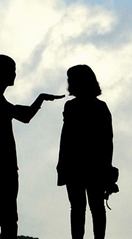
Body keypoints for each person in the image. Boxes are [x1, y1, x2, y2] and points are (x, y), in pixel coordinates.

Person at [0, 55, 62, 239]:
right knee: (6, 213)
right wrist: (41, 99)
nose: (15, 73)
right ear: (1, 73)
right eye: (12, 70)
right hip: (3, 166)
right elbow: (25, 116)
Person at [57, 65, 114, 239]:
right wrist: (107, 167)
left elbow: (66, 139)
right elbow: (107, 141)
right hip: (95, 165)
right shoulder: (100, 107)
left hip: (75, 165)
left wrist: (62, 164)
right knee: (96, 208)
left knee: (78, 208)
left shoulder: (72, 107)